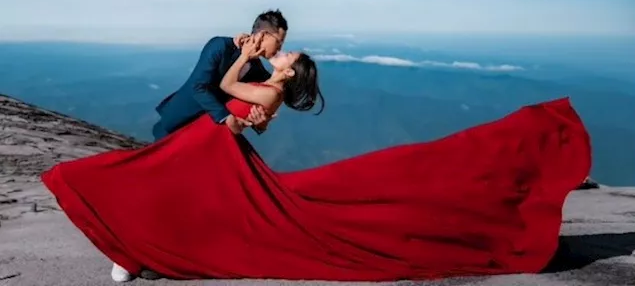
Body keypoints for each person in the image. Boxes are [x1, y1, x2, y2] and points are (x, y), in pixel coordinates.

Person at [40, 32, 591, 283]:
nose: (281, 53)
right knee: (154, 193)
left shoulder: (269, 86)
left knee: (152, 193)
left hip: (210, 151)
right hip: (206, 148)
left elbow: (231, 81)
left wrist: (246, 55)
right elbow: (230, 90)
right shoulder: (269, 82)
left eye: (286, 56)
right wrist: (250, 54)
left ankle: (132, 252)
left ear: (287, 73)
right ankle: (132, 252)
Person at [151, 9, 290, 142]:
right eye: (278, 42)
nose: (279, 49)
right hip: (179, 120)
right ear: (263, 34)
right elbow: (198, 87)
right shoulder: (220, 46)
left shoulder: (258, 71)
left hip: (206, 134)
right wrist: (227, 118)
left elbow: (262, 104)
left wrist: (261, 124)